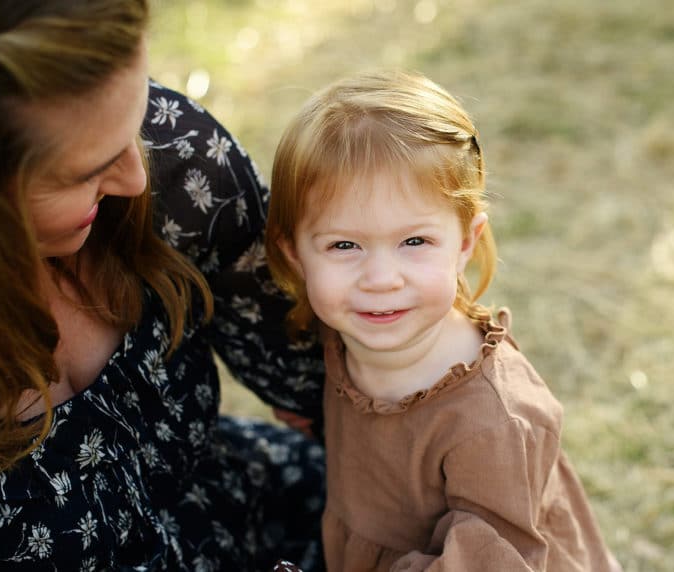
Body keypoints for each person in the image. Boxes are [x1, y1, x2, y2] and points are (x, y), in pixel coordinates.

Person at [0, 1, 326, 570]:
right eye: (85, 172)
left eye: (134, 122)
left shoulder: (177, 156)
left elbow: (341, 388)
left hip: (268, 519)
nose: (137, 179)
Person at [265, 70, 622, 571]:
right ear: (296, 254)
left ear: (465, 243)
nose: (381, 278)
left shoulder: (493, 421)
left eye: (414, 242)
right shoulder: (349, 329)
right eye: (344, 245)